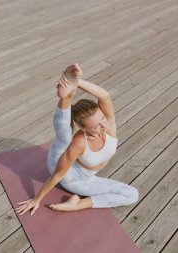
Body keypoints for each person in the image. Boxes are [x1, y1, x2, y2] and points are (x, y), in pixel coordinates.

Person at [16, 63, 139, 216]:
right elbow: (57, 176)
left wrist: (77, 82)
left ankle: (78, 203)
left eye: (102, 119)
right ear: (83, 128)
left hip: (88, 177)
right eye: (95, 126)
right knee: (64, 138)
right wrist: (36, 199)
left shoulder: (108, 125)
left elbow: (105, 96)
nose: (102, 126)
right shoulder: (80, 142)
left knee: (132, 194)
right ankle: (66, 98)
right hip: (71, 177)